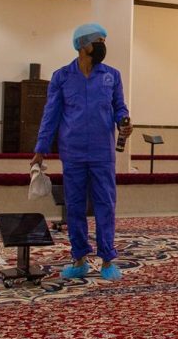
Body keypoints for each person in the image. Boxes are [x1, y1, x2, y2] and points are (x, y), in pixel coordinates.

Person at [31, 23, 133, 281]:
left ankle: (107, 259)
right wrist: (41, 149)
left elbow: (120, 107)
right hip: (73, 152)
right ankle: (79, 259)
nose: (103, 46)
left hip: (102, 153)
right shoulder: (62, 77)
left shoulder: (112, 75)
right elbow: (51, 115)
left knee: (105, 205)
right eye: (99, 41)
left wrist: (124, 121)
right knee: (74, 206)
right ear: (82, 45)